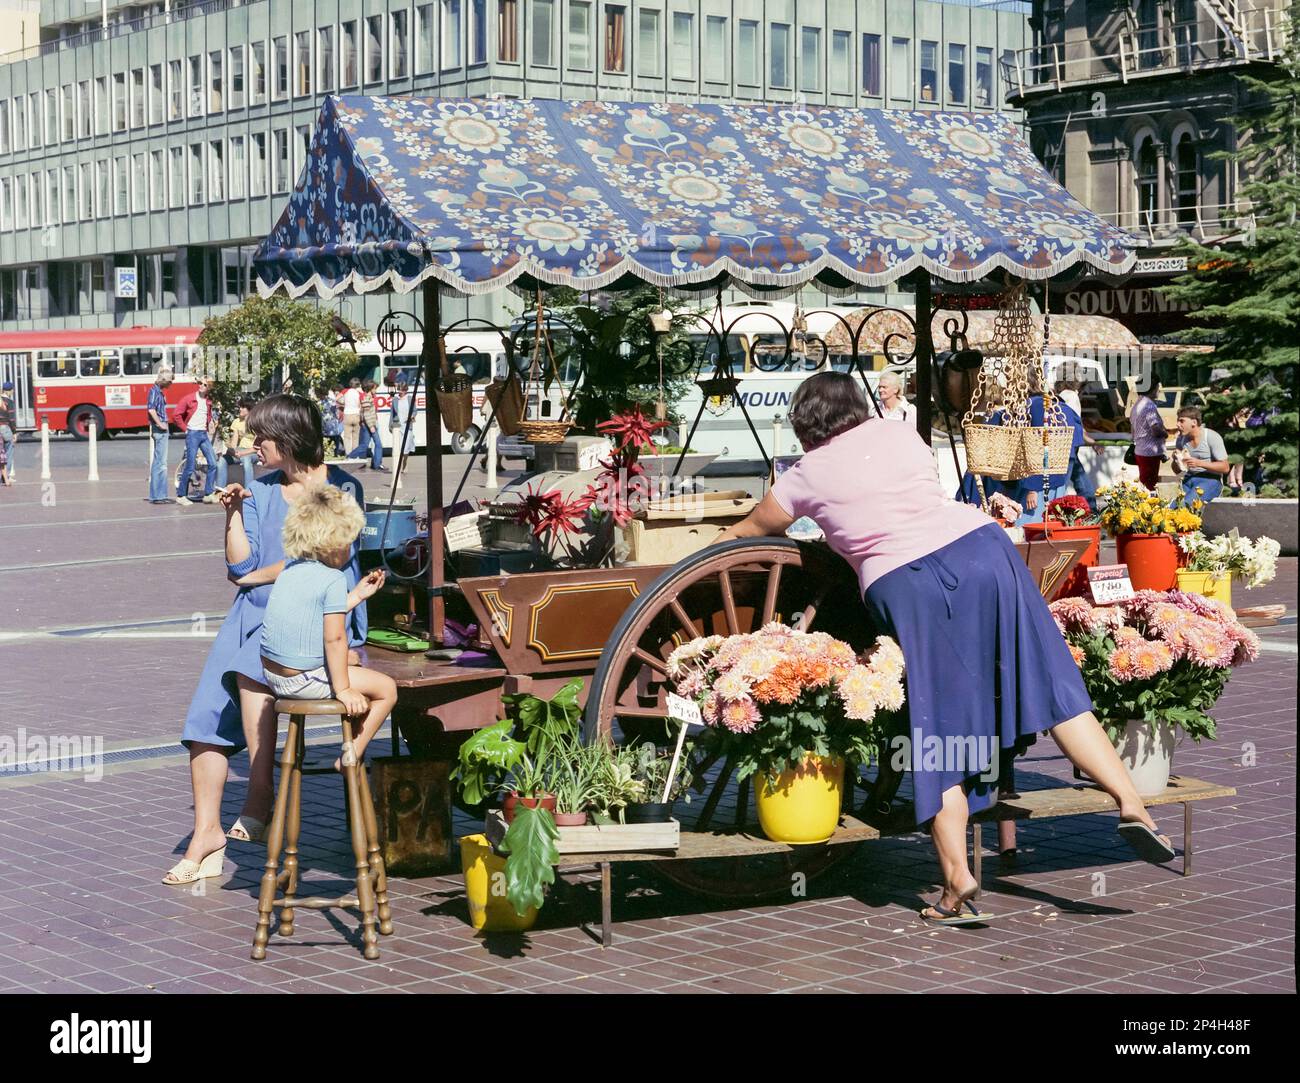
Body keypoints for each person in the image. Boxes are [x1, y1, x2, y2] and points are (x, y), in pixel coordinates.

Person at [715, 372, 1176, 924]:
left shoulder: (801, 476)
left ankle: (957, 879)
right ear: (856, 406)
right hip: (984, 551)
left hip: (906, 583)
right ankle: (1130, 802)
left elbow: (751, 529)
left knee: (942, 727)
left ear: (804, 423)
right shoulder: (898, 433)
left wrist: (714, 538)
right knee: (1052, 681)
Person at [163, 394, 367, 885]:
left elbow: (329, 558)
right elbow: (240, 570)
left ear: (288, 438)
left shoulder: (343, 486)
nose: (253, 446)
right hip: (254, 613)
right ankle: (207, 832)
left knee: (254, 662)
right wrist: (232, 513)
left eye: (261, 438)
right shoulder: (260, 489)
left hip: (317, 613)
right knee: (206, 714)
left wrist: (263, 579)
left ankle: (259, 791)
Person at [260, 486, 396, 770]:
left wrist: (356, 596)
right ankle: (351, 754)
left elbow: (311, 615)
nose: (351, 548)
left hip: (274, 676)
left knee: (351, 662)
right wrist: (343, 689)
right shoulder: (333, 578)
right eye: (348, 541)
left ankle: (350, 748)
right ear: (332, 542)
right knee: (386, 688)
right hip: (303, 681)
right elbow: (334, 638)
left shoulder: (290, 569)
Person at [1009, 391, 1085, 525]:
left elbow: (1033, 445)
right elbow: (1078, 435)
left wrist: (1031, 488)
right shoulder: (1062, 408)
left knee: (1032, 519)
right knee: (1053, 511)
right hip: (1060, 465)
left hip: (1041, 472)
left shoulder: (1031, 407)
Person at [1172, 406, 1230, 505]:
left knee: (1187, 504)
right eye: (1178, 421)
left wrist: (1199, 463)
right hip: (1188, 479)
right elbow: (1176, 471)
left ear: (1194, 422)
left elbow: (1225, 467)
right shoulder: (1181, 440)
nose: (1177, 424)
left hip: (1210, 480)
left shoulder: (1211, 437)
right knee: (1172, 507)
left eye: (1182, 421)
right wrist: (1177, 460)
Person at [174, 378, 220, 506]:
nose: (201, 386)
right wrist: (186, 429)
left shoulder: (208, 401)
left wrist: (209, 424)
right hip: (193, 434)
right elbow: (176, 415)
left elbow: (208, 415)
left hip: (203, 434)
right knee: (190, 466)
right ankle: (181, 495)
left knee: (213, 463)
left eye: (205, 385)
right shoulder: (189, 398)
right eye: (200, 383)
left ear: (209, 388)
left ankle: (208, 493)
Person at [1129, 380, 1167, 492]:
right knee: (1150, 487)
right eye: (1157, 387)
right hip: (1150, 452)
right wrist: (1165, 433)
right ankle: (1147, 508)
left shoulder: (1137, 404)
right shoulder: (1149, 405)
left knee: (1144, 483)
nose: (1159, 390)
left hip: (1141, 449)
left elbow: (1132, 429)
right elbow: (1155, 429)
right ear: (1152, 388)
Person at [215, 394, 259, 491]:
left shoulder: (256, 423)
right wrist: (230, 449)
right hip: (240, 451)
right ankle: (220, 490)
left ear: (250, 410)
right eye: (240, 407)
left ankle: (248, 491)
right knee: (222, 460)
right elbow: (234, 444)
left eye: (243, 407)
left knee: (246, 460)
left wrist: (242, 453)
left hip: (252, 452)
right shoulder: (236, 422)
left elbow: (257, 447)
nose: (240, 409)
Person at [146, 369, 175, 504]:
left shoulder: (157, 391)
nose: (171, 385)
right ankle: (158, 495)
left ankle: (159, 495)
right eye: (170, 382)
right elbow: (151, 409)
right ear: (164, 381)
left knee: (160, 462)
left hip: (161, 427)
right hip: (160, 428)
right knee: (160, 463)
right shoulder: (154, 391)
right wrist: (160, 424)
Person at [348, 379, 387, 472]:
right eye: (374, 389)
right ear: (370, 388)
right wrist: (371, 426)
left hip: (368, 425)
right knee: (378, 444)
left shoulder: (368, 397)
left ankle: (349, 457)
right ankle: (377, 465)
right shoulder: (366, 398)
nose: (375, 390)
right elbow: (366, 414)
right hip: (370, 425)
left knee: (364, 445)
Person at [388, 379, 416, 491]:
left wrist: (412, 416)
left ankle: (405, 462)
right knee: (398, 447)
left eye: (401, 390)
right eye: (398, 389)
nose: (399, 392)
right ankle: (399, 467)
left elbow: (415, 410)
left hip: (407, 426)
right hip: (398, 426)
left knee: (406, 448)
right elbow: (392, 413)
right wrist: (390, 425)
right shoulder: (395, 400)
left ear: (405, 390)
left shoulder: (410, 399)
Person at [341, 377, 363, 454]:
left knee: (347, 437)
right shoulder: (359, 393)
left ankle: (348, 454)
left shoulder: (345, 392)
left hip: (347, 415)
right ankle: (354, 454)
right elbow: (360, 404)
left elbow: (338, 399)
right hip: (356, 415)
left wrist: (344, 404)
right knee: (355, 437)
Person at [0, 379, 16, 487]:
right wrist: (14, 432)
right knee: (8, 452)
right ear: (9, 391)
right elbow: (12, 419)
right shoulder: (9, 402)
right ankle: (6, 477)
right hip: (5, 428)